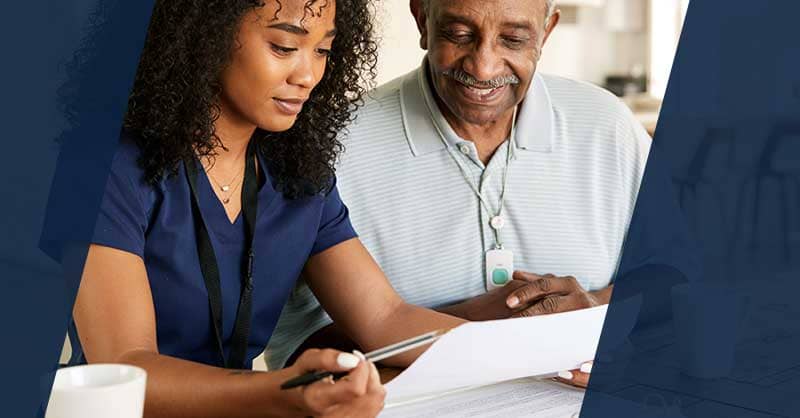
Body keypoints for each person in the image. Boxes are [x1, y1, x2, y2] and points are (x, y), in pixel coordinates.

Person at [58, 0, 464, 417]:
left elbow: (385, 316)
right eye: (284, 47)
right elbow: (126, 365)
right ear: (205, 36)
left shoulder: (301, 177)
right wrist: (280, 391)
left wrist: (526, 349)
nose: (307, 76)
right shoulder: (103, 168)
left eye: (322, 51)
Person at [267, 0, 695, 387]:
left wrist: (593, 308)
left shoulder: (609, 125)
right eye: (458, 34)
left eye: (513, 39)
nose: (484, 67)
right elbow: (301, 358)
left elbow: (674, 275)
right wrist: (498, 325)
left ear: (546, 33)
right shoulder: (329, 145)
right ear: (421, 18)